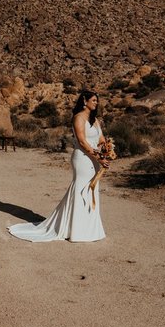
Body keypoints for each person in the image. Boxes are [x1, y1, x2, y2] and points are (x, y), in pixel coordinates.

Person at [8, 90, 109, 242]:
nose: (96, 103)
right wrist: (99, 157)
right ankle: (76, 229)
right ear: (84, 101)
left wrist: (107, 149)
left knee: (92, 190)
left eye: (97, 101)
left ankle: (89, 229)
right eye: (93, 100)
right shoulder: (78, 118)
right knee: (81, 188)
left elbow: (101, 139)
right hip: (82, 159)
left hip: (95, 160)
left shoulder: (95, 120)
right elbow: (82, 142)